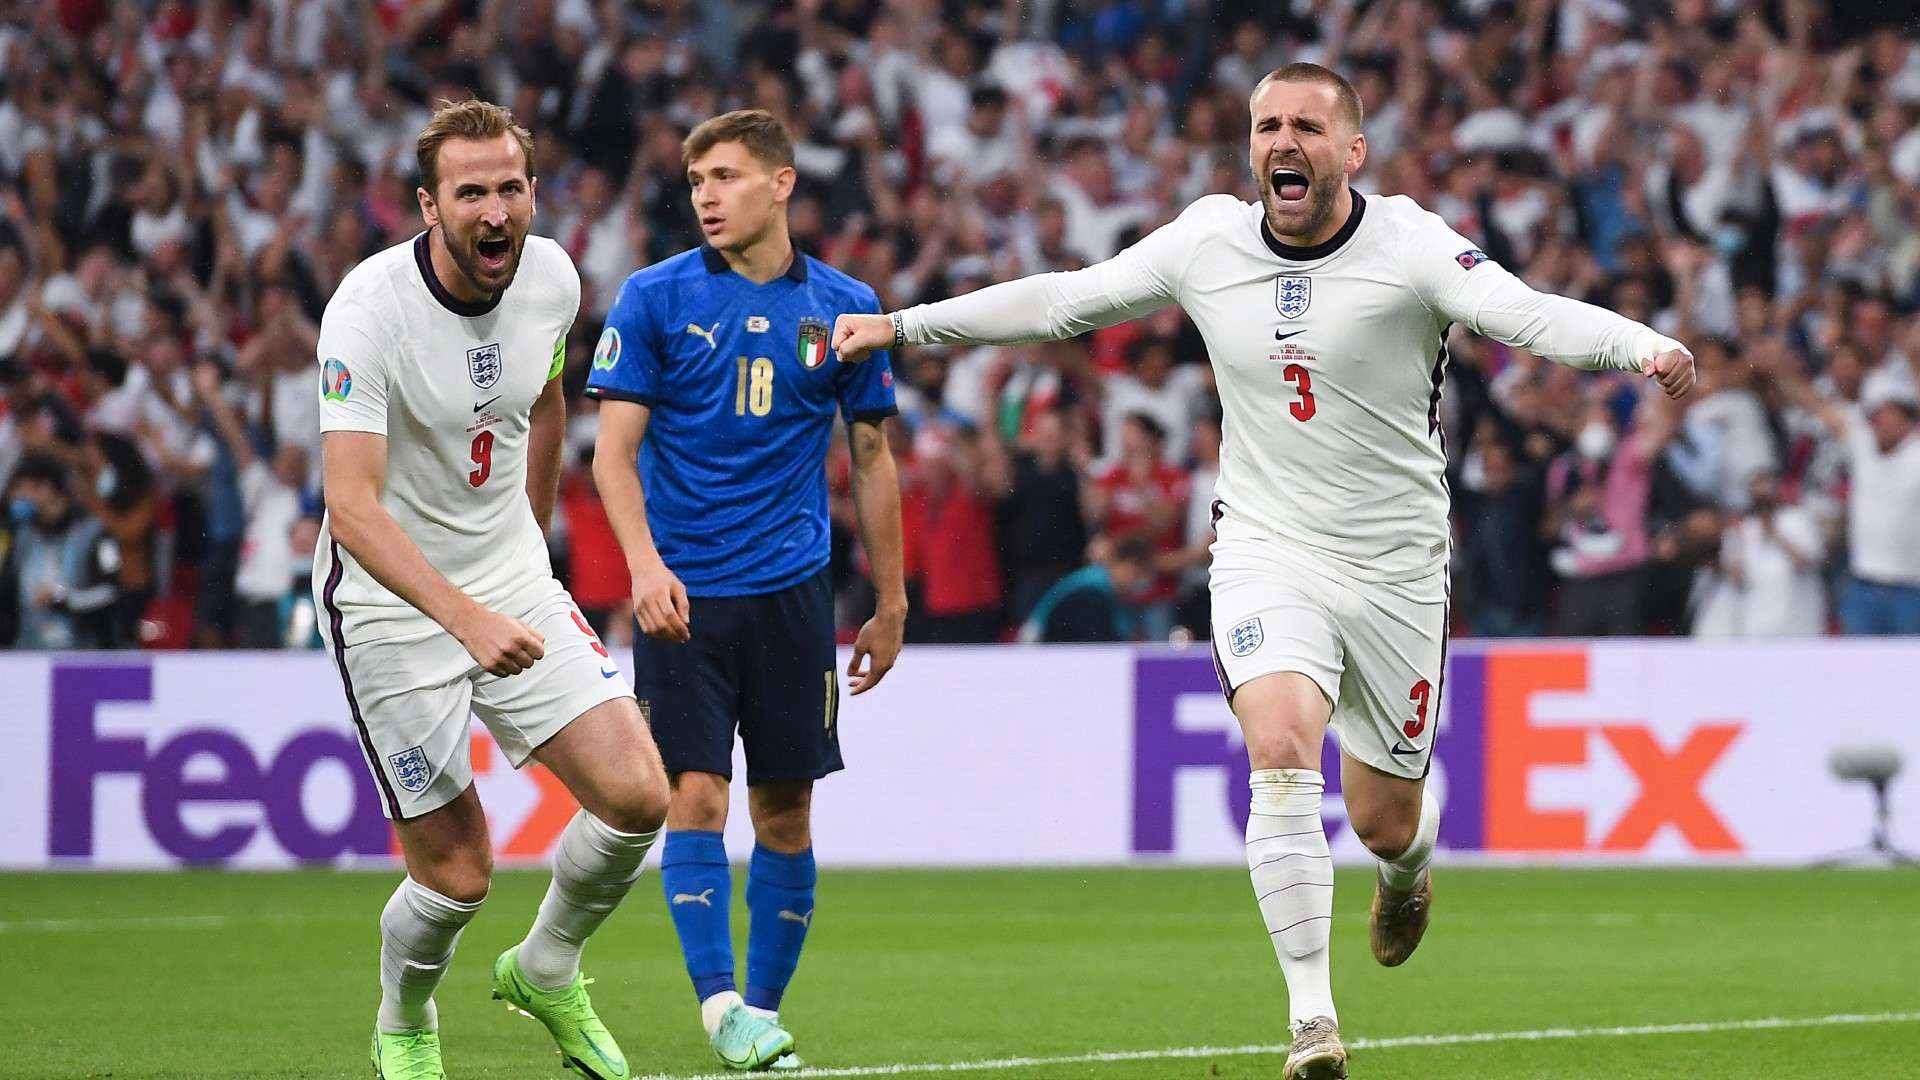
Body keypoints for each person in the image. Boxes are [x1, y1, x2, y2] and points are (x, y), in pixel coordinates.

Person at [833, 63, 1695, 1079]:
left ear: (1352, 151)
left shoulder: (1413, 245)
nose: (1285, 143)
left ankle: (1409, 871)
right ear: (1250, 145)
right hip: (1263, 548)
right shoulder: (1207, 241)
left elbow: (1527, 314)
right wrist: (907, 324)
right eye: (1267, 126)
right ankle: (1312, 1023)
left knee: (1384, 815)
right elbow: (1068, 302)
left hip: (1397, 567)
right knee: (1280, 746)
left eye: (1308, 127)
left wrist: (1640, 345)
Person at [312, 99, 669, 1080]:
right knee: (459, 871)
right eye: (471, 192)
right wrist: (461, 615)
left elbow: (547, 398)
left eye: (510, 187)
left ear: (532, 193)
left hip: (506, 579)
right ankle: (405, 1018)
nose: (495, 209)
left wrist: (529, 544)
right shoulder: (367, 310)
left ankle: (547, 968)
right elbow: (350, 506)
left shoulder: (552, 277)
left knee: (640, 795)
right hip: (388, 603)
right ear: (430, 204)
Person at [587, 109, 905, 1072]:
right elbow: (612, 456)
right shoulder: (654, 297)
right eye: (695, 183)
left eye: (725, 177)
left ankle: (756, 1016)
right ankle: (717, 1000)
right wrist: (643, 566)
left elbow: (874, 455)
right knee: (693, 795)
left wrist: (891, 603)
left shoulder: (846, 309)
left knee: (786, 815)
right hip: (685, 596)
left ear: (782, 183)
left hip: (794, 599)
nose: (707, 198)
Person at [1763, 337, 1920, 634]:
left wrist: (1913, 359)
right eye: (1876, 416)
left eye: (1889, 415)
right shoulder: (1864, 446)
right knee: (1860, 674)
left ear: (1906, 421)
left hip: (1911, 589)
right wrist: (1778, 369)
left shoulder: (1917, 455)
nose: (1879, 422)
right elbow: (1815, 404)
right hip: (1863, 586)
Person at [1018, 534, 1153, 642]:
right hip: (1040, 654)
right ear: (1130, 565)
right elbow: (1098, 644)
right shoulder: (1090, 593)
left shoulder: (1104, 588)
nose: (1139, 580)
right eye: (1139, 573)